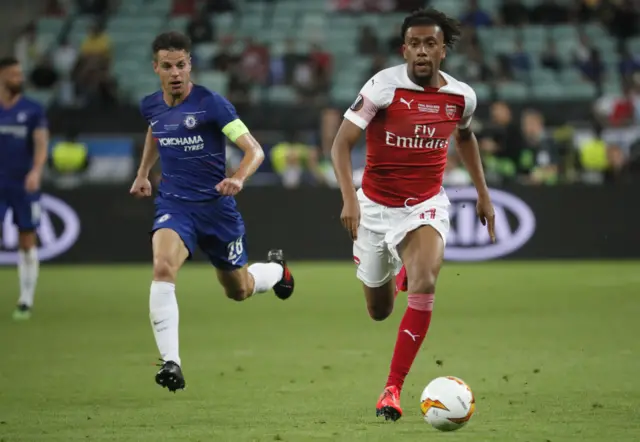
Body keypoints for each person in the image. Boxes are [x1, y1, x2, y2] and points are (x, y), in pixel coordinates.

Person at [330, 9, 495, 421]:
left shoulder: (461, 97)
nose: (422, 51)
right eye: (415, 44)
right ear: (405, 49)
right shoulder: (383, 87)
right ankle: (395, 273)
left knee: (426, 280)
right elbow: (340, 144)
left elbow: (466, 136)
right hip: (373, 207)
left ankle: (392, 389)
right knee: (379, 311)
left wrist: (482, 193)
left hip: (424, 205)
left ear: (443, 50)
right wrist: (350, 198)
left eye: (430, 44)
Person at [129, 32, 295, 393]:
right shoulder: (151, 105)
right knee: (162, 267)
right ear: (156, 68)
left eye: (181, 65)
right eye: (167, 66)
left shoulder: (212, 104)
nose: (175, 73)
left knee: (238, 290)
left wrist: (237, 179)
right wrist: (143, 173)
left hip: (217, 210)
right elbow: (155, 132)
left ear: (190, 65)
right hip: (174, 205)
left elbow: (254, 152)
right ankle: (171, 362)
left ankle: (276, 270)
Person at [0, 56, 49, 321]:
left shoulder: (32, 109)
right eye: (14, 75)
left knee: (26, 238)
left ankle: (25, 300)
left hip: (23, 183)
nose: (19, 79)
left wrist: (36, 171)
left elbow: (41, 143)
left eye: (20, 74)